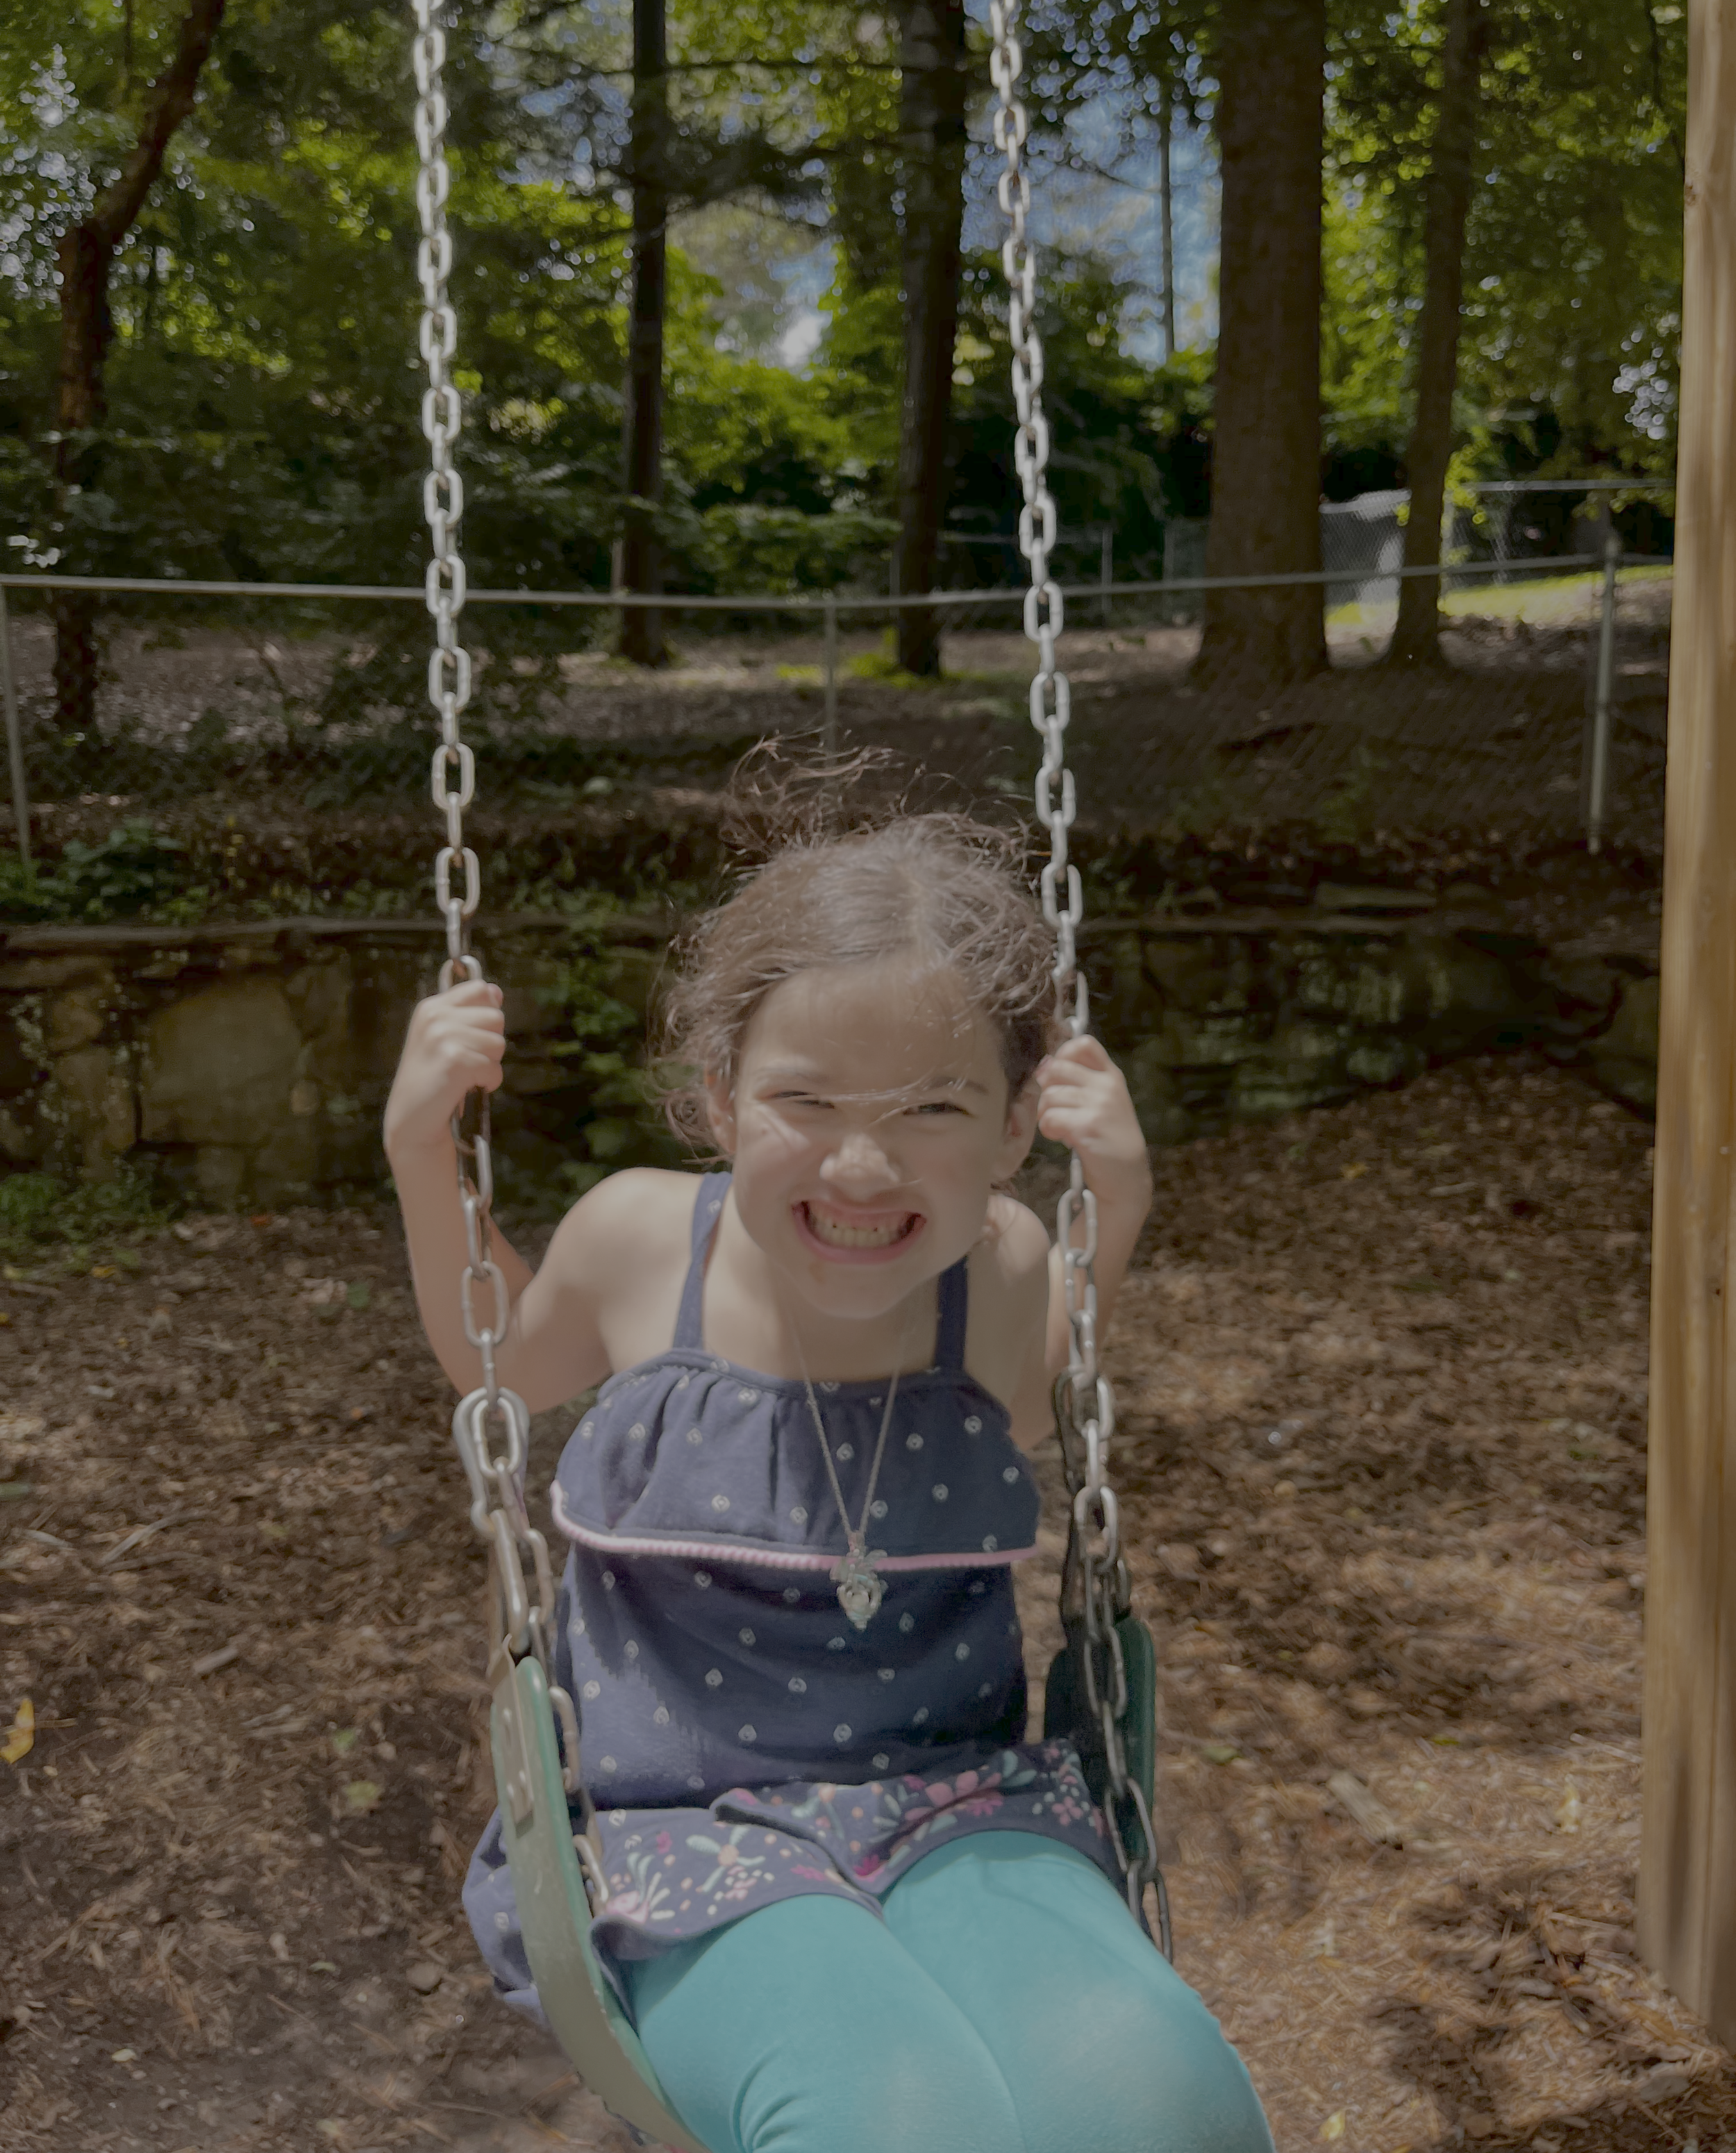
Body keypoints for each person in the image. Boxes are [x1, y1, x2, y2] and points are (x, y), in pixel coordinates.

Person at [385, 807, 1272, 2153]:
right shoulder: (638, 1244)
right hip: (678, 1839)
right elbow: (498, 1360)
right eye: (806, 1102)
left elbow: (1035, 1408)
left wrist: (1120, 1211)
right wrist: (420, 1150)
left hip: (958, 1802)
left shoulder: (1003, 1266)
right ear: (721, 1091)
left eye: (932, 1106)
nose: (862, 1167)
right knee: (897, 2116)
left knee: (1164, 2100)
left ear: (1013, 1123)